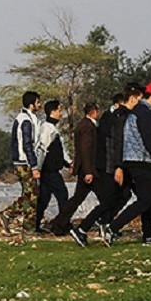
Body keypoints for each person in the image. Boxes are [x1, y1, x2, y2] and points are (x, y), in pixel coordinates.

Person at [108, 82, 151, 245]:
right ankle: (112, 228)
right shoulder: (144, 113)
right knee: (144, 201)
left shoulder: (138, 111)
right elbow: (150, 141)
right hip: (141, 161)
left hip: (138, 161)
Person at [74, 89, 139, 246]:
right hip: (109, 166)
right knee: (109, 199)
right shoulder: (113, 119)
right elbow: (112, 145)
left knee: (121, 196)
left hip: (112, 165)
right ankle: (85, 227)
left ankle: (104, 223)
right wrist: (117, 167)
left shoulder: (112, 118)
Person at [51, 102, 101, 238]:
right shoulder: (87, 127)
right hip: (88, 170)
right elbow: (86, 150)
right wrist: (89, 171)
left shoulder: (84, 125)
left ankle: (59, 223)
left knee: (77, 199)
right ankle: (105, 224)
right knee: (106, 198)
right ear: (94, 112)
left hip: (85, 168)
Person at [0, 91, 42, 235]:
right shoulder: (25, 120)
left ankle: (12, 216)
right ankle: (24, 224)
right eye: (38, 102)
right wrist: (34, 165)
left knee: (29, 195)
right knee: (32, 195)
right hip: (24, 163)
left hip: (24, 162)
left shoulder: (28, 118)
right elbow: (27, 144)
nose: (39, 105)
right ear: (31, 104)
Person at [33, 100, 71, 234]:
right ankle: (62, 226)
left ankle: (35, 225)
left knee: (44, 199)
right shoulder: (47, 128)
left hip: (49, 170)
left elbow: (61, 151)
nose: (61, 114)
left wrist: (69, 163)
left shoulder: (53, 128)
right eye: (59, 111)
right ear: (52, 112)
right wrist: (37, 168)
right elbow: (42, 149)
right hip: (49, 171)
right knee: (63, 195)